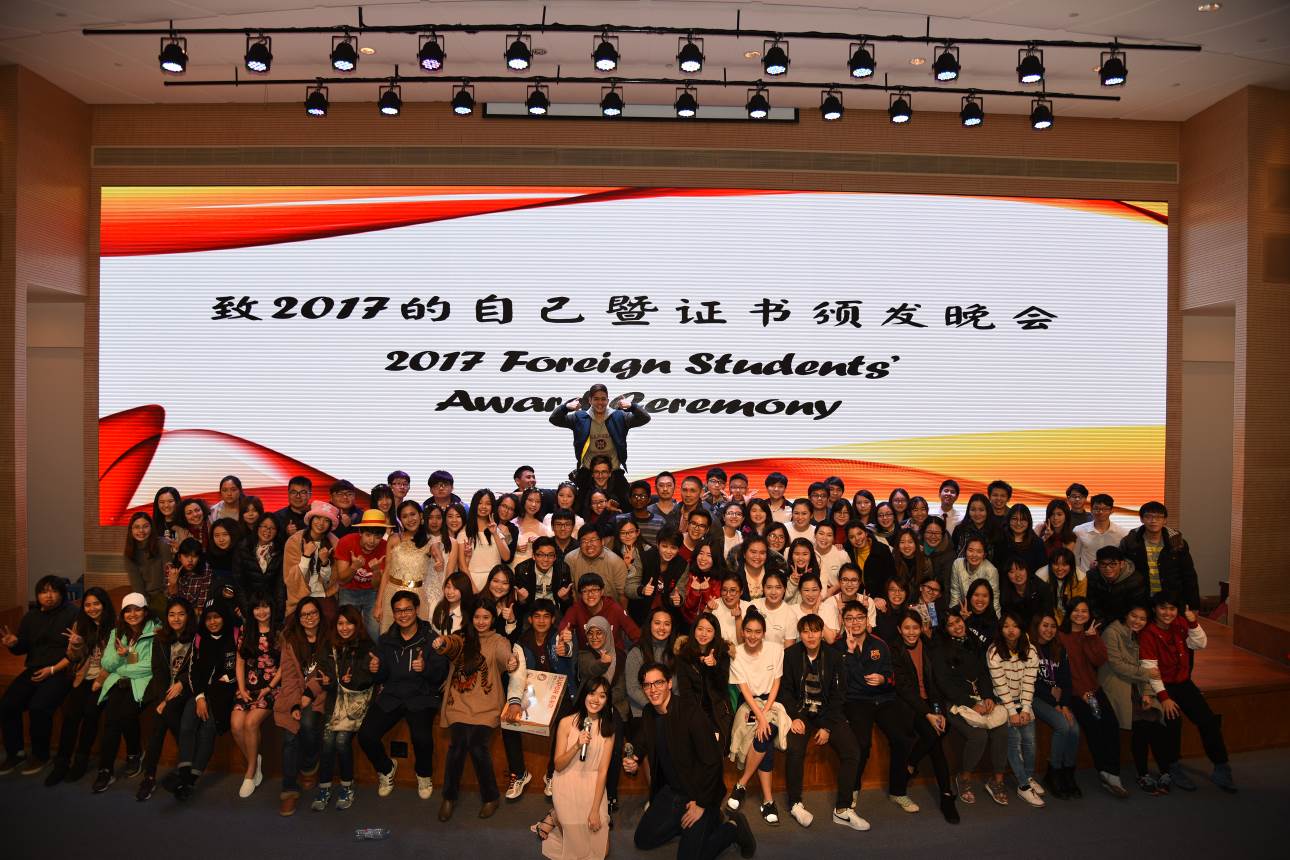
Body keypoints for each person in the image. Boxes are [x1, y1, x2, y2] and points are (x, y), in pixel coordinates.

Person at [625, 662, 757, 860]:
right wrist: (634, 758)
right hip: (672, 792)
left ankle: (733, 828)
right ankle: (699, 826)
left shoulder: (691, 713)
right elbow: (642, 740)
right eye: (647, 685)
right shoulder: (649, 713)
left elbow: (714, 763)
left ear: (669, 683)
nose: (653, 689)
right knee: (643, 839)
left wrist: (701, 804)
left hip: (700, 793)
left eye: (658, 683)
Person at [1138, 591, 1236, 792]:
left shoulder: (1181, 623)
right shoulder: (1148, 633)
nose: (1168, 613)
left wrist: (1192, 622)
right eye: (1163, 608)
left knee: (1208, 721)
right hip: (1161, 685)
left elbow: (1199, 643)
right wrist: (1164, 698)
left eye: (1172, 608)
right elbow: (1150, 670)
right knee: (1173, 723)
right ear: (1154, 609)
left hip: (1183, 683)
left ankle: (1221, 766)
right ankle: (1173, 767)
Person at [433, 599, 520, 821]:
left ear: (493, 619)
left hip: (487, 705)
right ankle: (449, 797)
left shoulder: (499, 640)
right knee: (458, 746)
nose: (481, 622)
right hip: (459, 703)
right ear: (471, 618)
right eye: (477, 617)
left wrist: (511, 662)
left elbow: (505, 656)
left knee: (477, 746)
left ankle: (491, 797)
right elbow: (451, 645)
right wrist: (442, 642)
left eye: (486, 617)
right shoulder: (462, 637)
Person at [359, 591, 448, 804]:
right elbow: (382, 676)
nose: (403, 614)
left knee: (422, 738)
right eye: (398, 611)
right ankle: (386, 768)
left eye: (407, 609)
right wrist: (375, 669)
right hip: (393, 694)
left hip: (421, 695)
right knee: (365, 735)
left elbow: (440, 675)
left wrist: (425, 668)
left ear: (416, 610)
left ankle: (423, 775)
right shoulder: (386, 640)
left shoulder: (431, 638)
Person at [779, 613, 866, 830]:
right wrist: (794, 716)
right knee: (794, 748)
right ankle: (795, 804)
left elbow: (839, 694)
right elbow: (785, 691)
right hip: (801, 713)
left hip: (827, 713)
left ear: (821, 633)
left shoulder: (834, 656)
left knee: (852, 750)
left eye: (815, 631)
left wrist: (827, 726)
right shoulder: (790, 655)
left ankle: (843, 809)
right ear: (800, 634)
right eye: (806, 631)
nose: (811, 636)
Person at [835, 600, 917, 817]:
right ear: (843, 621)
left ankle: (898, 792)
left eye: (859, 618)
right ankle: (853, 788)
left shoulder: (880, 644)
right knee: (861, 743)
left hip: (883, 698)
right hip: (856, 701)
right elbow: (848, 681)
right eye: (850, 618)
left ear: (866, 620)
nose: (855, 622)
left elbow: (891, 676)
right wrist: (850, 653)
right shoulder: (838, 647)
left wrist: (883, 680)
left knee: (902, 739)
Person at [0, 575, 79, 775]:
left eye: (54, 591)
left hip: (61, 671)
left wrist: (53, 669)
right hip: (34, 669)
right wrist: (14, 644)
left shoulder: (72, 613)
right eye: (44, 592)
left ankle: (40, 755)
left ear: (62, 593)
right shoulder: (31, 616)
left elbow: (76, 652)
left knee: (39, 707)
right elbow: (23, 647)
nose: (49, 596)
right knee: (7, 704)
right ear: (38, 595)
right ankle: (16, 753)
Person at [931, 607, 1009, 807]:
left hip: (979, 698)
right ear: (945, 629)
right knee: (978, 735)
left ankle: (997, 780)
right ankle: (964, 777)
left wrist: (988, 696)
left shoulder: (974, 641)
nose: (957, 626)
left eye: (958, 621)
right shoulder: (940, 649)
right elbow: (944, 684)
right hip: (956, 702)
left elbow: (983, 673)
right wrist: (971, 703)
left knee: (1001, 729)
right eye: (951, 625)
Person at [535, 678, 617, 860]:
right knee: (579, 852)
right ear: (584, 695)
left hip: (593, 786)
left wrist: (595, 810)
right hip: (567, 783)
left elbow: (603, 771)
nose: (596, 700)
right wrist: (577, 745)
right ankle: (557, 815)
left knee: (601, 853)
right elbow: (558, 765)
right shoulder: (566, 722)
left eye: (602, 696)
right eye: (592, 693)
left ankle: (555, 816)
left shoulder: (608, 730)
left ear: (607, 700)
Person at [892, 609, 959, 823]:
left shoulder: (930, 647)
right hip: (908, 705)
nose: (911, 632)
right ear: (899, 630)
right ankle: (946, 796)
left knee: (939, 731)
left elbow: (936, 684)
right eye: (907, 628)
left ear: (921, 628)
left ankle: (911, 764)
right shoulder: (895, 650)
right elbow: (904, 689)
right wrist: (928, 714)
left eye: (915, 627)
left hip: (931, 703)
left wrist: (937, 711)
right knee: (933, 737)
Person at [167, 599, 237, 801]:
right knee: (187, 725)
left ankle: (190, 781)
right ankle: (184, 775)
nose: (212, 622)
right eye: (208, 618)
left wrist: (217, 689)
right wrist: (199, 698)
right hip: (200, 693)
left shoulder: (235, 635)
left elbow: (235, 670)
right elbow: (193, 672)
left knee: (207, 729)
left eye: (217, 617)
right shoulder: (200, 638)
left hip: (222, 695)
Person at [1057, 597, 1128, 797]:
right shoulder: (1060, 636)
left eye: (1084, 611)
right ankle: (1105, 771)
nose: (1080, 614)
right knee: (1094, 726)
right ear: (1069, 612)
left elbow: (1099, 660)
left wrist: (1092, 638)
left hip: (1093, 689)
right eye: (1076, 610)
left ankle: (1112, 772)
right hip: (1074, 692)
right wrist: (1082, 693)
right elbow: (1065, 671)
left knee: (1111, 724)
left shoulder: (1091, 634)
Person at [45, 587, 114, 786]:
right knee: (70, 716)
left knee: (91, 714)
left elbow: (115, 660)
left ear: (104, 604)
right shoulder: (80, 624)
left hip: (104, 678)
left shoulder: (115, 626)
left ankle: (81, 760)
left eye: (96, 604)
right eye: (87, 605)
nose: (92, 608)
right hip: (83, 677)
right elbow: (73, 657)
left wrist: (101, 679)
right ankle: (62, 762)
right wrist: (76, 644)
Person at [1099, 604, 1171, 795]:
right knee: (1141, 725)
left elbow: (1145, 665)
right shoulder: (1112, 633)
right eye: (1134, 616)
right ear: (1126, 614)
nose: (1137, 621)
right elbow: (1117, 665)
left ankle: (1165, 771)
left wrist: (1147, 692)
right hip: (1117, 685)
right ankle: (1143, 774)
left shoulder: (1141, 635)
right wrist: (1146, 675)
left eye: (1143, 618)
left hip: (1136, 685)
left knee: (1156, 720)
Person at [312, 605, 377, 811]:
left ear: (357, 624)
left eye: (349, 623)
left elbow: (369, 679)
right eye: (340, 623)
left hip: (356, 704)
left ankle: (347, 786)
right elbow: (326, 678)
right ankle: (324, 788)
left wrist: (351, 680)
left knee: (341, 741)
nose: (344, 627)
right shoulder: (328, 646)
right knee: (327, 741)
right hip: (334, 702)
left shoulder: (367, 646)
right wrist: (331, 681)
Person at [91, 593, 157, 793]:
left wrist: (126, 658)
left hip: (143, 683)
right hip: (119, 682)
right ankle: (105, 769)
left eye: (137, 609)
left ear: (145, 611)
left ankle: (134, 753)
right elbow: (106, 663)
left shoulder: (156, 631)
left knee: (125, 714)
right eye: (128, 611)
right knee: (111, 720)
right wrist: (122, 657)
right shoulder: (116, 632)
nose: (132, 614)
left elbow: (150, 666)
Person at [725, 609, 786, 826]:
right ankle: (768, 801)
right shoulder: (737, 654)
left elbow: (776, 684)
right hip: (749, 704)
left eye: (757, 632)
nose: (752, 636)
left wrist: (765, 715)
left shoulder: (776, 650)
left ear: (764, 633)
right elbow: (745, 691)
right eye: (748, 631)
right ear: (743, 632)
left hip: (772, 703)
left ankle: (741, 784)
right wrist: (760, 718)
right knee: (765, 737)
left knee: (765, 732)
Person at [136, 598, 195, 801]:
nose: (176, 619)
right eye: (171, 614)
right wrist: (163, 698)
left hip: (187, 690)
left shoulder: (197, 638)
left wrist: (182, 682)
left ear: (188, 616)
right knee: (158, 726)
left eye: (181, 614)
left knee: (165, 715)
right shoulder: (160, 639)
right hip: (165, 692)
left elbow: (199, 667)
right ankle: (151, 776)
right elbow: (158, 672)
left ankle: (183, 772)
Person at [274, 597, 329, 815]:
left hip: (320, 693)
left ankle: (309, 765)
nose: (309, 618)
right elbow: (288, 677)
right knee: (290, 735)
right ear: (298, 618)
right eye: (304, 614)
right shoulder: (290, 640)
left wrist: (308, 694)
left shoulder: (328, 637)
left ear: (319, 615)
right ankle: (289, 790)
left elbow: (326, 671)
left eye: (313, 613)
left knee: (307, 723)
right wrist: (295, 703)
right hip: (294, 694)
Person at [986, 611, 1044, 807]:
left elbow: (1029, 681)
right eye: (1006, 626)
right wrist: (1012, 711)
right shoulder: (994, 651)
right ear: (1000, 629)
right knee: (1013, 742)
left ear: (1021, 628)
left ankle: (1028, 777)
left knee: (1030, 741)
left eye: (1015, 626)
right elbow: (1000, 685)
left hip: (1024, 700)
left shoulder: (1030, 649)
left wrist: (1026, 708)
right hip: (1003, 702)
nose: (1011, 630)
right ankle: (1023, 786)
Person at [549, 383, 651, 494]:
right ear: (590, 400)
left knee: (626, 502)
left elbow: (645, 418)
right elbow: (554, 419)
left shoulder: (619, 417)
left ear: (608, 400)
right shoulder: (579, 418)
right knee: (581, 503)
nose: (600, 402)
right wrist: (565, 407)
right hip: (588, 473)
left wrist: (632, 406)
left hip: (614, 472)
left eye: (603, 399)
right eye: (596, 399)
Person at [576, 615, 630, 812]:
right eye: (590, 633)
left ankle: (610, 794)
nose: (595, 637)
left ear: (608, 633)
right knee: (587, 749)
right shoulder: (584, 654)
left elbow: (623, 688)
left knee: (615, 751)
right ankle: (587, 793)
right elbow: (590, 670)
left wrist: (607, 702)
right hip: (589, 707)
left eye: (599, 633)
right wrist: (603, 663)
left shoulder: (621, 656)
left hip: (615, 707)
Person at [229, 592, 280, 798]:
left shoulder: (280, 631)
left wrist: (270, 687)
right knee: (236, 725)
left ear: (272, 608)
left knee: (250, 723)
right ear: (251, 611)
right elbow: (240, 661)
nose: (261, 611)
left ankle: (250, 772)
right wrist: (241, 688)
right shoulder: (246, 630)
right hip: (248, 686)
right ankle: (255, 760)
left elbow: (284, 665)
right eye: (257, 607)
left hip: (272, 687)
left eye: (265, 606)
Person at [375, 500, 447, 632]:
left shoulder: (430, 541)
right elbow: (386, 573)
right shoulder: (394, 539)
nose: (410, 519)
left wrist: (439, 562)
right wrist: (378, 604)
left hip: (417, 596)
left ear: (420, 515)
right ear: (400, 520)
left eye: (413, 514)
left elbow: (438, 556)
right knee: (389, 636)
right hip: (391, 593)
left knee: (417, 637)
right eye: (404, 516)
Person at [1030, 612, 1080, 800]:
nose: (1049, 630)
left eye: (1053, 626)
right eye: (1045, 625)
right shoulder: (1029, 648)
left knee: (1074, 729)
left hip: (1058, 699)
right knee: (1063, 726)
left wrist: (1064, 704)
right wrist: (1054, 703)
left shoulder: (1059, 649)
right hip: (1036, 698)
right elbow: (1032, 682)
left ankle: (1068, 772)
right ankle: (1054, 772)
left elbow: (1066, 681)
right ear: (1037, 626)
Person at [1120, 501, 1200, 609]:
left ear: (1165, 520)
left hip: (1171, 600)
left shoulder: (1177, 542)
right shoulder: (1130, 542)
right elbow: (1122, 572)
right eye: (1148, 517)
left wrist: (1193, 605)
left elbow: (1188, 574)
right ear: (1142, 519)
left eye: (1158, 517)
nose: (1153, 521)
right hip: (1140, 598)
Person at [673, 613, 734, 752]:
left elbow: (722, 688)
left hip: (717, 711)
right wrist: (696, 719)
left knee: (715, 749)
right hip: (694, 710)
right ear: (694, 630)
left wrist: (714, 666)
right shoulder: (684, 654)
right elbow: (685, 691)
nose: (703, 634)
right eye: (700, 629)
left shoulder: (722, 653)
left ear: (715, 633)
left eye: (709, 630)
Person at [334, 509, 392, 641]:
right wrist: (354, 567)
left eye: (377, 537)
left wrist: (376, 571)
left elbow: (376, 586)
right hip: (348, 590)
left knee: (375, 630)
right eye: (368, 535)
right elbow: (342, 579)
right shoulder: (346, 542)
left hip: (372, 593)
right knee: (346, 629)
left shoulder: (385, 547)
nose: (372, 541)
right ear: (360, 532)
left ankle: (374, 654)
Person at [558, 573, 640, 655]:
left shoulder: (614, 608)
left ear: (602, 591)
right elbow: (564, 625)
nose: (590, 595)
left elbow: (636, 634)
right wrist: (564, 633)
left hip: (614, 654)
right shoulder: (576, 608)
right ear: (580, 594)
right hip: (588, 655)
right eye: (585, 591)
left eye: (594, 590)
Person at [283, 501, 339, 618]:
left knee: (330, 619)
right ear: (311, 519)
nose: (321, 523)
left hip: (324, 594)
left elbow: (332, 580)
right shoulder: (294, 541)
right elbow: (291, 579)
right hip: (299, 597)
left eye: (326, 520)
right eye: (317, 518)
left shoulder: (334, 542)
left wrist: (325, 562)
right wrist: (306, 556)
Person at [627, 609, 679, 720]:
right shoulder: (636, 652)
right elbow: (633, 689)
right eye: (657, 623)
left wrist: (671, 708)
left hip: (671, 712)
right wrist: (657, 708)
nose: (662, 628)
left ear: (671, 628)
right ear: (649, 625)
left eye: (667, 624)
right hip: (643, 714)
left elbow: (677, 688)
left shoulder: (676, 652)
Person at [233, 514, 285, 622]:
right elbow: (239, 583)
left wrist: (278, 613)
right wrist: (246, 610)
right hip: (248, 604)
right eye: (264, 526)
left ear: (277, 531)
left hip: (271, 605)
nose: (268, 531)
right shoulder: (243, 547)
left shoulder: (281, 551)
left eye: (272, 528)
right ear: (257, 527)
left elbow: (280, 585)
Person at [566, 524, 629, 609]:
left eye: (593, 540)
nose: (589, 544)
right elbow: (572, 591)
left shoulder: (615, 562)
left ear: (602, 541)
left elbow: (623, 595)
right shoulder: (571, 559)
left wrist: (623, 614)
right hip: (582, 610)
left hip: (610, 611)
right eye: (584, 541)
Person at [124, 512, 171, 616]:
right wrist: (144, 604)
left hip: (164, 595)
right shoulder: (129, 552)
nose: (141, 531)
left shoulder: (162, 545)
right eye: (136, 527)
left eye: (145, 526)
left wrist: (166, 597)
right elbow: (136, 584)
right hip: (144, 598)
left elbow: (168, 576)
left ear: (151, 528)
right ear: (131, 530)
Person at [1087, 545, 1148, 625]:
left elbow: (1134, 609)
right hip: (1098, 620)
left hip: (1124, 622)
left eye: (1113, 564)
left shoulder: (1136, 581)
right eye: (1103, 564)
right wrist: (1099, 621)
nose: (1108, 568)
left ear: (1122, 564)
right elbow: (1091, 603)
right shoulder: (1092, 576)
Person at [515, 535, 574, 613]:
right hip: (531, 610)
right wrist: (522, 600)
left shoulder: (563, 569)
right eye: (540, 555)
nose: (546, 559)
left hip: (554, 609)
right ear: (533, 556)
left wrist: (565, 598)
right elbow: (520, 608)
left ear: (555, 557)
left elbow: (568, 605)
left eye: (550, 555)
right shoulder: (522, 570)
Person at [1074, 493, 1129, 573]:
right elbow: (1075, 556)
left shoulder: (1123, 533)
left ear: (1111, 511)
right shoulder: (1079, 530)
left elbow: (1124, 558)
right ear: (1091, 510)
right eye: (1096, 508)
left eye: (1105, 509)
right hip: (1087, 576)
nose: (1100, 512)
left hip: (1112, 576)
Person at [842, 522, 895, 599]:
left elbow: (891, 577)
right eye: (852, 537)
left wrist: (882, 597)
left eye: (859, 534)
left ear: (866, 533)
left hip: (881, 598)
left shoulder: (881, 549)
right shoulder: (848, 552)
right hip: (858, 597)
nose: (857, 538)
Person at [998, 557, 1054, 630]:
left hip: (1040, 627)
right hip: (1018, 628)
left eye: (1021, 569)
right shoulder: (1005, 591)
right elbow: (1006, 616)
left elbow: (1048, 614)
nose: (1018, 574)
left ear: (1027, 570)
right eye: (1012, 572)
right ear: (1007, 575)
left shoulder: (1041, 587)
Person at [949, 537, 999, 614]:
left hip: (983, 613)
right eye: (970, 550)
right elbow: (955, 593)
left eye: (979, 551)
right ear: (965, 552)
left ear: (984, 554)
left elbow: (994, 600)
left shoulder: (991, 571)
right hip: (963, 610)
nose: (974, 555)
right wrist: (952, 614)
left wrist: (995, 620)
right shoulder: (957, 564)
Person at [1036, 548, 1086, 624]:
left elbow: (1079, 604)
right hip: (1049, 618)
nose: (1060, 569)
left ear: (1071, 565)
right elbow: (1042, 606)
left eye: (1064, 565)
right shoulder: (1041, 578)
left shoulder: (1080, 578)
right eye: (1056, 564)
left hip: (1072, 618)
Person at [164, 537, 212, 616]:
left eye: (194, 556)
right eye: (186, 556)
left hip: (195, 613)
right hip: (176, 611)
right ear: (179, 557)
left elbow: (201, 606)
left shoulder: (205, 569)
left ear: (199, 558)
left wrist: (188, 613)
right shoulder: (170, 568)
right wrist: (173, 584)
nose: (190, 560)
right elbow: (171, 600)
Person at [996, 505, 1047, 576]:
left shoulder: (1037, 543)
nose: (1018, 523)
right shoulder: (1000, 540)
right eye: (1014, 519)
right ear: (1008, 520)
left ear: (1029, 521)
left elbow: (1042, 570)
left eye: (1023, 519)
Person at [952, 493, 997, 559]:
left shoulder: (996, 531)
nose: (977, 514)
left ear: (988, 511)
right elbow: (952, 553)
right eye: (973, 510)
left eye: (981, 510)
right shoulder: (959, 529)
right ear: (968, 511)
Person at [963, 580, 1000, 651]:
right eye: (976, 595)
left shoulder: (993, 621)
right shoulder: (959, 611)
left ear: (990, 599)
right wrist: (962, 620)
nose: (980, 599)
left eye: (985, 596)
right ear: (970, 596)